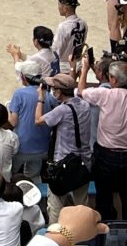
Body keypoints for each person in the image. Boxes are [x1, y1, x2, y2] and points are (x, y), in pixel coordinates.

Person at [33, 72, 93, 217]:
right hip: (84, 162)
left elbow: (38, 120)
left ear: (59, 92)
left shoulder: (62, 110)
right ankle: (82, 233)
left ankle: (57, 236)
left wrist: (40, 99)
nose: (52, 91)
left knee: (55, 207)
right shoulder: (85, 104)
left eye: (53, 88)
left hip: (63, 165)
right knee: (81, 205)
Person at [76, 53, 127, 217]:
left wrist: (84, 69)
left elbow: (81, 91)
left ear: (113, 80)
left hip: (105, 155)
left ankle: (106, 228)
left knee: (103, 196)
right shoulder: (106, 94)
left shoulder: (105, 95)